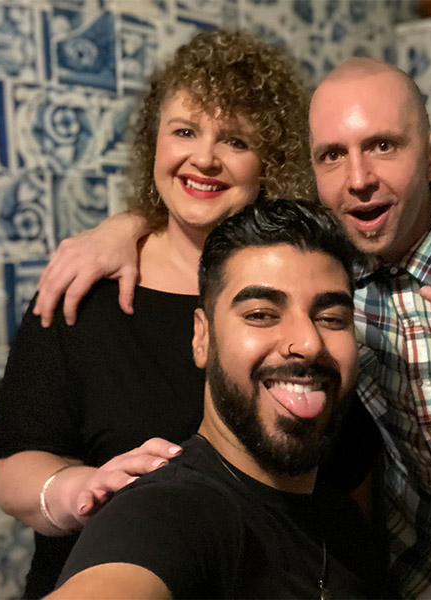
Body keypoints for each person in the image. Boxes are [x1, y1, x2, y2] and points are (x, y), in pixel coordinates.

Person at [32, 58, 431, 599]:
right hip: (420, 579)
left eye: (382, 145)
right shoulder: (324, 273)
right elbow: (216, 209)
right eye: (332, 155)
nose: (359, 177)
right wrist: (123, 227)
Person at [0, 29, 317, 599]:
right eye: (185, 131)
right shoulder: (86, 285)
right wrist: (80, 491)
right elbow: (14, 464)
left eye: (235, 141)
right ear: (154, 144)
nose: (205, 158)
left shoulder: (297, 290)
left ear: (271, 162)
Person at [48, 199, 386, 599]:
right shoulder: (164, 514)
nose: (308, 343)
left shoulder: (343, 520)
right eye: (261, 314)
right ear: (202, 337)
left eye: (331, 319)